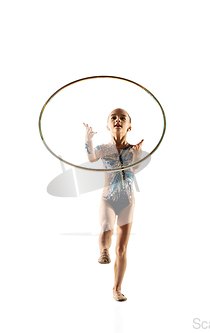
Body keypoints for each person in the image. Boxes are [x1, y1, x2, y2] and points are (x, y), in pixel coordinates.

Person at [83, 108, 143, 302]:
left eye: (122, 118)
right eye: (113, 118)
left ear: (129, 127)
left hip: (127, 201)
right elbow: (91, 157)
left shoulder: (134, 149)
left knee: (122, 249)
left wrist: (137, 156)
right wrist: (88, 139)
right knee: (106, 228)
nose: (118, 120)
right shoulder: (104, 149)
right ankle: (103, 252)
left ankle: (116, 289)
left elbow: (135, 168)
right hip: (108, 198)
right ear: (108, 126)